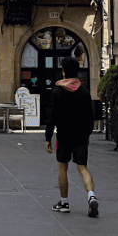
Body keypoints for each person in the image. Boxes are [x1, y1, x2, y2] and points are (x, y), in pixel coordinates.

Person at [45, 55, 99, 216]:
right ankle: (91, 196)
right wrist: (87, 134)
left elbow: (52, 116)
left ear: (63, 72)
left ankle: (64, 202)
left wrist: (48, 137)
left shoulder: (56, 91)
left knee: (63, 167)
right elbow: (90, 116)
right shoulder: (84, 92)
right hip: (81, 135)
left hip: (63, 135)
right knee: (82, 168)